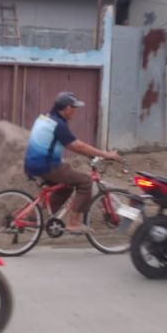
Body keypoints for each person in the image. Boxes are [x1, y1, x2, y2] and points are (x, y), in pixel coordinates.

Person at [24, 91, 119, 233]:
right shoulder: (58, 125)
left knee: (66, 187)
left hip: (32, 163)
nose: (75, 111)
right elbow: (77, 146)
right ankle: (74, 222)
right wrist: (105, 154)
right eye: (74, 108)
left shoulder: (45, 118)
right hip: (47, 166)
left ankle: (33, 216)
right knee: (85, 181)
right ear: (67, 108)